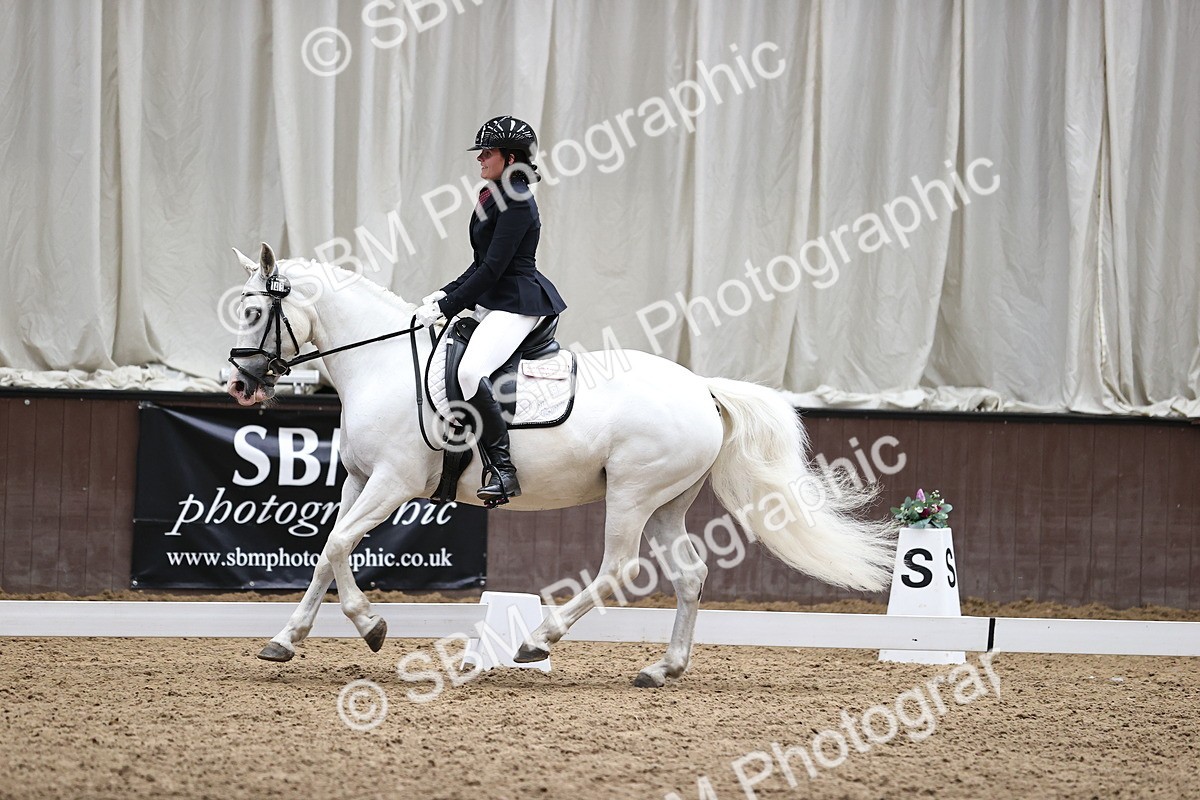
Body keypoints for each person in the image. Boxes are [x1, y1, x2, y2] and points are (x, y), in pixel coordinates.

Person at [415, 115, 567, 503]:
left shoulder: (516, 199)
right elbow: (480, 262)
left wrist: (451, 305)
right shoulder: (494, 194)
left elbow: (495, 268)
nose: (480, 157)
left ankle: (503, 469)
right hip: (497, 297)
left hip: (517, 301)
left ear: (511, 156)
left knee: (470, 371)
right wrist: (443, 293)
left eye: (488, 151)